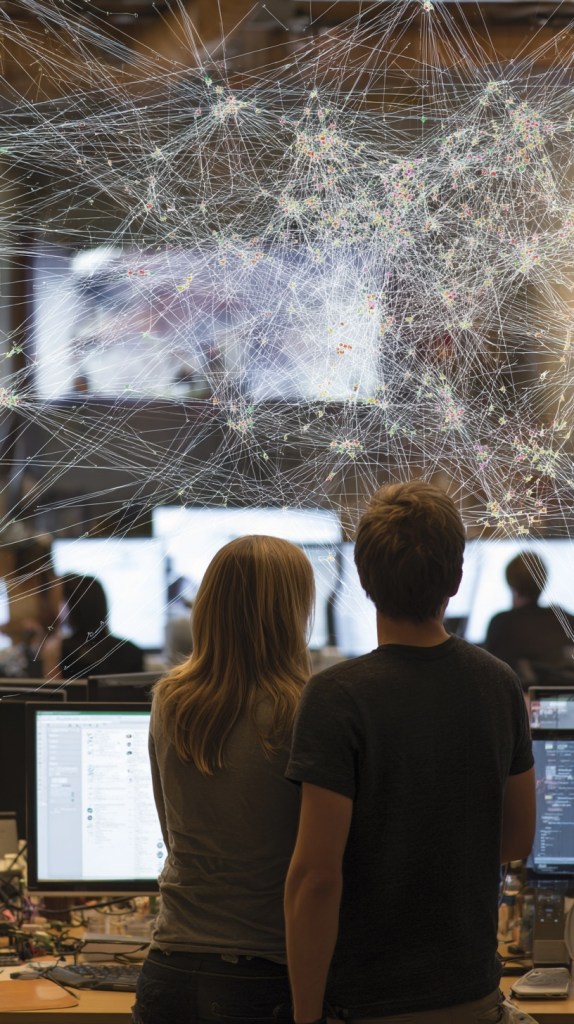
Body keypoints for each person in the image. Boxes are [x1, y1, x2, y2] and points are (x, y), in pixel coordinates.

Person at [285, 481, 535, 1024]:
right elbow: (517, 837)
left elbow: (316, 876)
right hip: (473, 996)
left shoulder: (336, 697)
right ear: (457, 578)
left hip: (369, 1001)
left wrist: (305, 1018)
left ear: (363, 577)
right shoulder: (498, 685)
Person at [133, 534, 315, 1024]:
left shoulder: (170, 700)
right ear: (290, 613)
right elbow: (321, 861)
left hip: (169, 966)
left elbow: (173, 835)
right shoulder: (303, 708)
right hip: (264, 970)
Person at [485, 551, 574, 678]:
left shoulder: (501, 624)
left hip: (519, 696)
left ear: (511, 585)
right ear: (543, 581)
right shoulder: (566, 619)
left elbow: (492, 676)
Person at [43, 573, 144, 679]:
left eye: (60, 601)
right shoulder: (132, 651)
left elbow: (53, 693)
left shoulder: (59, 651)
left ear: (71, 607)